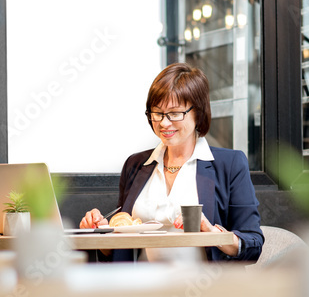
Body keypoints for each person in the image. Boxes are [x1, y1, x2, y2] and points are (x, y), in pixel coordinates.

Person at [79, 62, 263, 262]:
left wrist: (212, 232)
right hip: (139, 286)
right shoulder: (136, 165)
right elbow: (119, 253)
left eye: (175, 113)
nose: (164, 123)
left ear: (198, 112)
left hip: (201, 288)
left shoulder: (230, 164)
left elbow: (253, 244)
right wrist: (101, 233)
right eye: (157, 113)